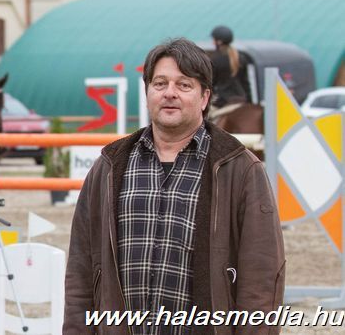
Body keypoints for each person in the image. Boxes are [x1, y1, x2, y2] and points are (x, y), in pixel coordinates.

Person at [64, 38, 285, 334]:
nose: (170, 93)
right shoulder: (109, 166)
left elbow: (261, 277)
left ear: (204, 98)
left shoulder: (239, 168)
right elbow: (80, 270)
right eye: (160, 83)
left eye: (184, 85)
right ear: (147, 92)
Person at [208, 25, 248, 113]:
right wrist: (250, 101)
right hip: (241, 99)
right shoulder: (241, 58)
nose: (212, 43)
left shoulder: (215, 59)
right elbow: (245, 83)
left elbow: (211, 84)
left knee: (203, 119)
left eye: (214, 40)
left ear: (219, 42)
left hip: (223, 101)